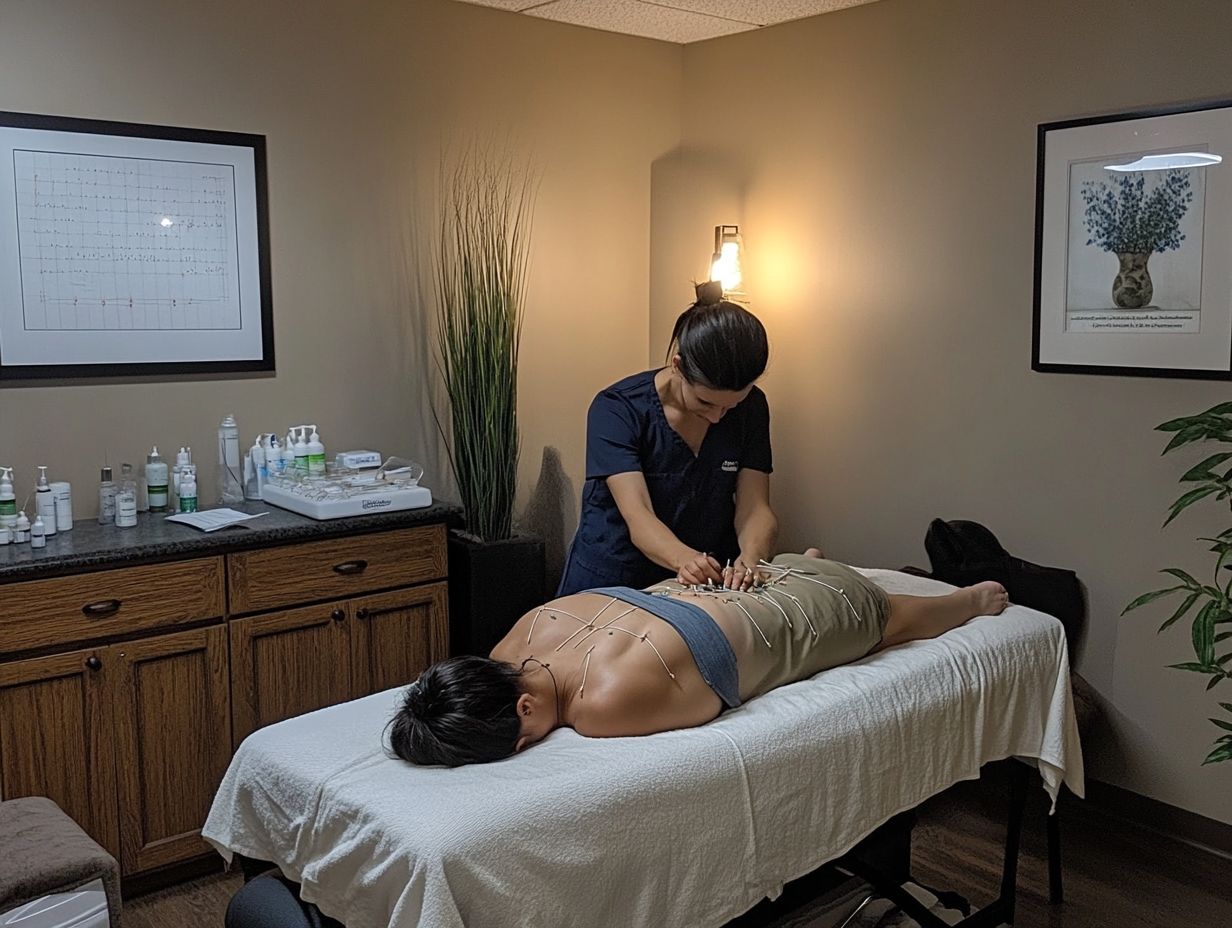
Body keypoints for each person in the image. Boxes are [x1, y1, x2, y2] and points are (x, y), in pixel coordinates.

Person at [388, 550, 1010, 766]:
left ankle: (966, 599)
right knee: (793, 576)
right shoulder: (515, 640)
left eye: (517, 740)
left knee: (883, 620)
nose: (524, 749)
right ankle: (809, 560)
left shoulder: (602, 707)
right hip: (723, 587)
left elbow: (739, 683)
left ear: (524, 706)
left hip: (794, 610)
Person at [556, 280, 778, 596]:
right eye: (705, 403)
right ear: (678, 367)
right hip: (616, 575)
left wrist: (752, 560)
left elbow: (755, 507)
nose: (718, 417)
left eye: (732, 405)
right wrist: (685, 560)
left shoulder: (753, 407)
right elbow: (640, 517)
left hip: (701, 582)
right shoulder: (618, 409)